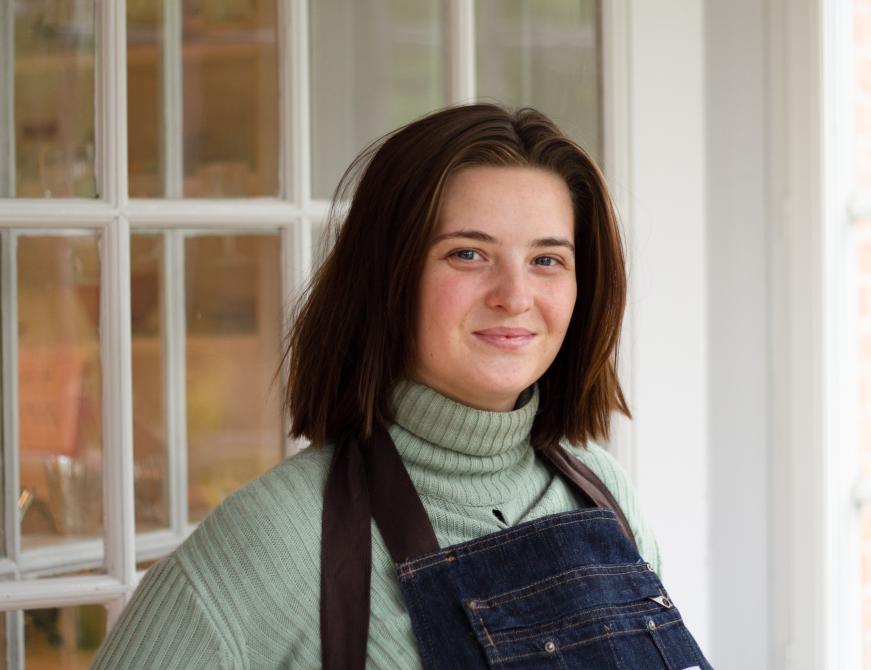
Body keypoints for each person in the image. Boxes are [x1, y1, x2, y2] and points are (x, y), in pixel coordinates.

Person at [92, 104, 711, 669]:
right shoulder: (276, 539)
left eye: (546, 260)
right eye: (468, 254)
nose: (515, 296)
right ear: (388, 277)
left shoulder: (604, 496)